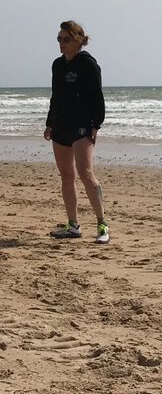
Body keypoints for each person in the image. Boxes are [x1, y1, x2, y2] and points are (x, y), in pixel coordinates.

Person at [44, 20, 110, 244]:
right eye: (59, 39)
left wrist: (96, 125)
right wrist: (49, 123)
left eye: (66, 39)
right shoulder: (57, 65)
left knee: (86, 173)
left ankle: (102, 224)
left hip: (82, 127)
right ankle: (73, 225)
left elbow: (97, 97)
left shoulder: (88, 64)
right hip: (60, 126)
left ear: (79, 41)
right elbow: (56, 96)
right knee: (66, 175)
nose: (61, 43)